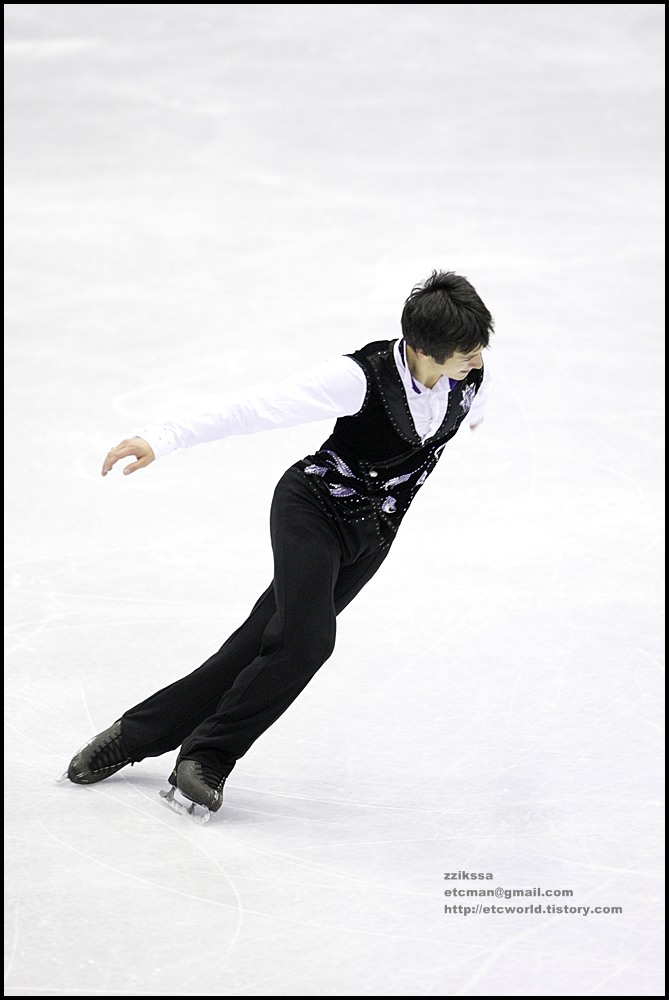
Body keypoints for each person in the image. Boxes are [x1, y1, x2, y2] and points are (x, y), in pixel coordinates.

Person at [66, 269, 494, 820]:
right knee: (307, 641)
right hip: (313, 510)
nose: (478, 362)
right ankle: (206, 759)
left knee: (257, 647)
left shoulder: (470, 376)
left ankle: (133, 734)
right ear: (421, 348)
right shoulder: (359, 377)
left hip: (372, 536)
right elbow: (256, 406)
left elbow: (467, 410)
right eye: (466, 353)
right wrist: (162, 437)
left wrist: (470, 413)